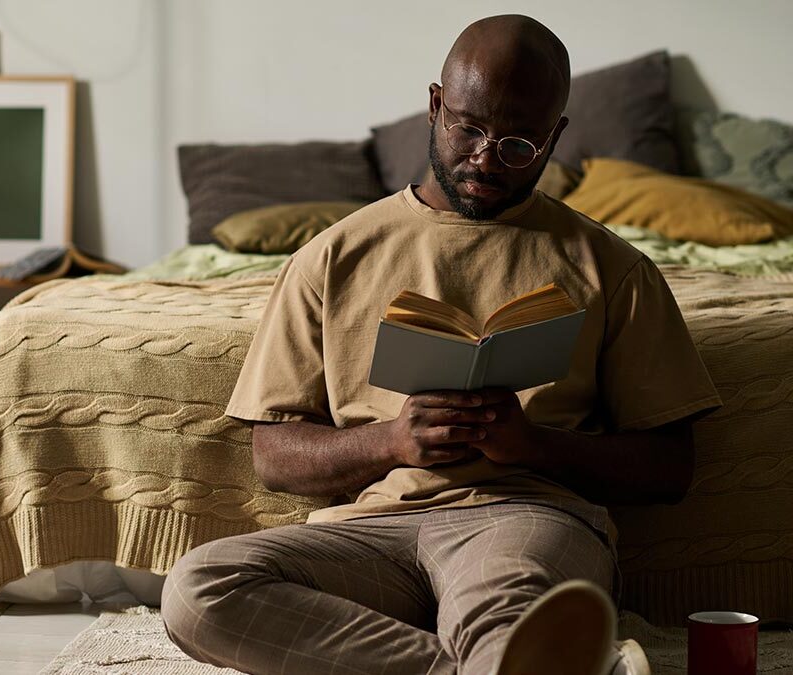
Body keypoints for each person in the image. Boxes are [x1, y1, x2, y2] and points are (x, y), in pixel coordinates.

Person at [162, 14, 721, 675]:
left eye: (519, 145)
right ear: (434, 105)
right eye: (470, 128)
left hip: (524, 517)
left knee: (505, 622)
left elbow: (670, 467)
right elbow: (273, 455)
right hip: (370, 532)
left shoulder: (611, 267)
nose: (487, 158)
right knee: (198, 590)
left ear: (554, 138)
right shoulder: (332, 257)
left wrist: (533, 445)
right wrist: (391, 442)